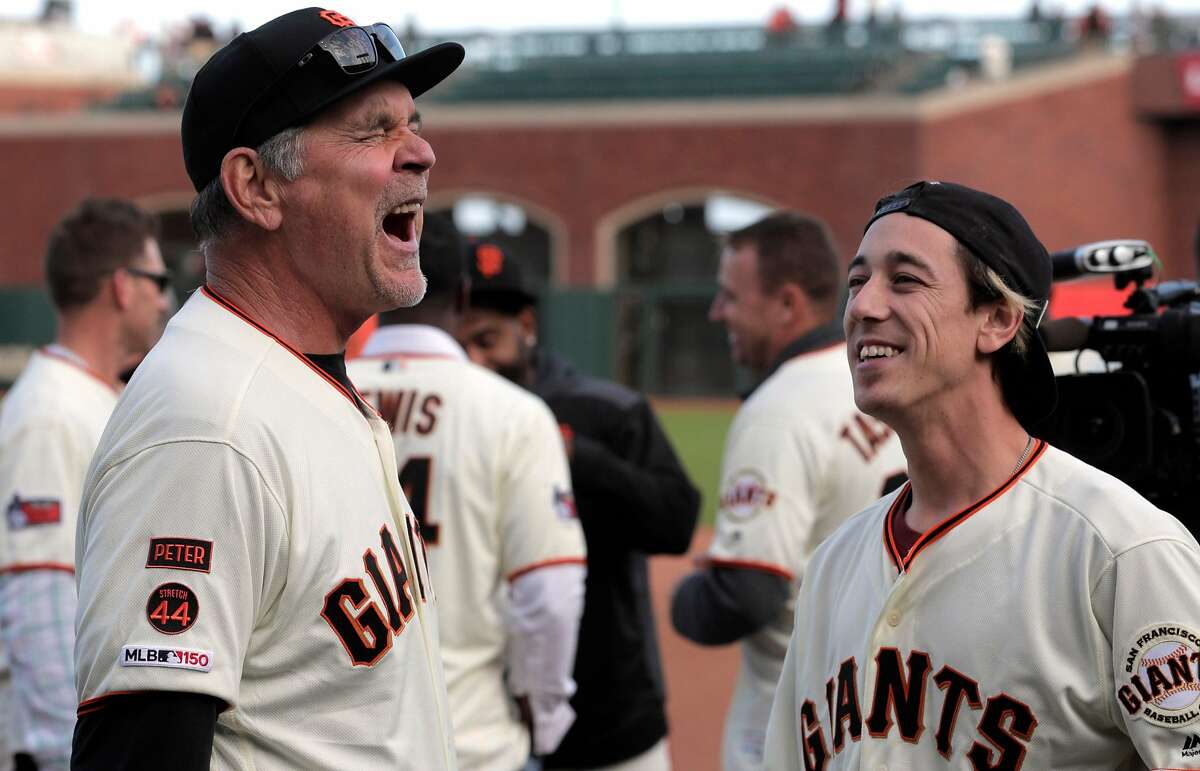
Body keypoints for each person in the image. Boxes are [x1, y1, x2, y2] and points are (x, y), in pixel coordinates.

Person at [71, 9, 465, 769]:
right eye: (374, 129)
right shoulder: (208, 426)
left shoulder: (293, 375)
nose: (421, 151)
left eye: (412, 123)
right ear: (256, 187)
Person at [763, 180, 1200, 769]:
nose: (863, 307)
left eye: (906, 280)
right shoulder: (833, 565)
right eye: (857, 281)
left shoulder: (1120, 552)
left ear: (997, 319)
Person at [348, 214, 587, 771]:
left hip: (337, 741)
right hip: (471, 740)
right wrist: (543, 714)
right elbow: (550, 594)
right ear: (461, 294)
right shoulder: (516, 414)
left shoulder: (315, 391)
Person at [669, 212, 906, 771]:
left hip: (795, 724)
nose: (716, 312)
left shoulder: (779, 406)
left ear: (786, 304)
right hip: (891, 712)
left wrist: (691, 595)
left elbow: (747, 595)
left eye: (730, 296)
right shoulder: (885, 381)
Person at [457, 245, 700, 771]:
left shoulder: (605, 410)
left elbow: (677, 521)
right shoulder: (449, 417)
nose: (474, 360)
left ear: (526, 325)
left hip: (609, 718)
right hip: (484, 724)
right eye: (461, 344)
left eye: (487, 340)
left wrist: (582, 458)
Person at [0, 198, 168, 771]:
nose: (166, 298)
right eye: (158, 280)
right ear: (123, 287)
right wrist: (61, 757)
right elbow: (39, 606)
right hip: (63, 745)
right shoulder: (48, 411)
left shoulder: (97, 399)